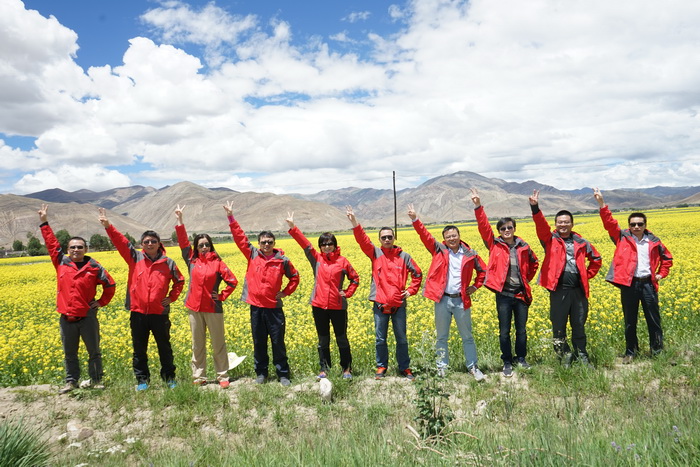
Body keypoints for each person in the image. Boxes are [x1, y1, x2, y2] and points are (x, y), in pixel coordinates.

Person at [99, 208, 184, 390]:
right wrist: (108, 226)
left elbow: (180, 281)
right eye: (146, 241)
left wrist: (171, 298)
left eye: (153, 241)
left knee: (164, 347)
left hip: (159, 313)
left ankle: (169, 378)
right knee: (139, 349)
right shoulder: (134, 258)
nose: (150, 244)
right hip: (138, 312)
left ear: (159, 244)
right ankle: (142, 380)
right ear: (141, 244)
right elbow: (121, 242)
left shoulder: (168, 263)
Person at [39, 204, 116, 394]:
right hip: (67, 317)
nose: (76, 250)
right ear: (67, 249)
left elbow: (110, 285)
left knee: (94, 352)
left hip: (87, 316)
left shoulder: (94, 266)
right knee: (70, 353)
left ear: (86, 249)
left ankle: (96, 380)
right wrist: (44, 223)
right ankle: (71, 381)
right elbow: (51, 244)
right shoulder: (61, 262)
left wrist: (101, 302)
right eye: (72, 247)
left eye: (80, 247)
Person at [593, 188, 673, 363]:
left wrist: (661, 274)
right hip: (629, 284)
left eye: (640, 224)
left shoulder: (654, 241)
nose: (636, 227)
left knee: (654, 320)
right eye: (633, 224)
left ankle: (657, 351)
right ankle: (631, 352)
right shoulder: (621, 237)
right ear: (629, 225)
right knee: (630, 321)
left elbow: (667, 258)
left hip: (648, 284)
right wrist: (602, 204)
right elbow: (609, 223)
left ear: (645, 225)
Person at [408, 204, 487, 380]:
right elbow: (425, 235)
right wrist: (415, 219)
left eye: (454, 235)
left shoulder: (470, 254)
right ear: (444, 239)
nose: (452, 238)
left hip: (461, 300)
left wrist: (475, 286)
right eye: (448, 236)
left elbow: (484, 271)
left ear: (459, 236)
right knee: (442, 336)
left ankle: (473, 367)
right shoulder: (439, 250)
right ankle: (442, 367)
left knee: (467, 336)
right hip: (442, 300)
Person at [224, 201, 299, 387]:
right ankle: (261, 373)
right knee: (259, 342)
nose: (266, 244)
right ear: (258, 244)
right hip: (256, 307)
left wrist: (285, 292)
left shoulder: (282, 260)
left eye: (270, 242)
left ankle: (283, 374)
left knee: (278, 342)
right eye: (263, 242)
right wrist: (231, 217)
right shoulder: (252, 254)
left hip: (274, 308)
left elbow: (295, 277)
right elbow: (240, 238)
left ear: (274, 243)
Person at [346, 206, 422, 380]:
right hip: (380, 304)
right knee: (380, 339)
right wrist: (354, 222)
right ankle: (381, 367)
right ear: (379, 239)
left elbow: (417, 273)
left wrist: (411, 290)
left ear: (394, 238)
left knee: (401, 338)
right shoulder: (375, 253)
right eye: (384, 237)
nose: (387, 239)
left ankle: (405, 367)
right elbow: (362, 240)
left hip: (399, 304)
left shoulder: (404, 256)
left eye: (389, 236)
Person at [470, 189, 539, 377]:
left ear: (514, 228)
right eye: (502, 229)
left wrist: (526, 279)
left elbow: (534, 262)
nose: (506, 231)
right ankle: (507, 361)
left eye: (509, 227)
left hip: (521, 294)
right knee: (504, 331)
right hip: (504, 295)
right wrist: (478, 206)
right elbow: (484, 227)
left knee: (521, 330)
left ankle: (521, 358)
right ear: (499, 231)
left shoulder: (523, 246)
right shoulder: (494, 244)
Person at [529, 190, 602, 367]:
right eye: (560, 222)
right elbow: (541, 225)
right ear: (555, 224)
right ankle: (564, 355)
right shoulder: (549, 239)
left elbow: (596, 259)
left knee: (579, 324)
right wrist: (535, 208)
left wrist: (586, 276)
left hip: (578, 291)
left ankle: (582, 354)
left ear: (572, 224)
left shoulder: (582, 242)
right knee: (558, 325)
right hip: (559, 291)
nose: (563, 225)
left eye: (566, 222)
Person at [286, 212, 360, 379]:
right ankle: (324, 369)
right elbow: (305, 245)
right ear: (320, 246)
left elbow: (355, 278)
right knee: (323, 339)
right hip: (319, 306)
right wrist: (293, 227)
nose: (327, 247)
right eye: (323, 244)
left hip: (338, 306)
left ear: (335, 245)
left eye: (330, 244)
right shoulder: (316, 259)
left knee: (341, 338)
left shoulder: (342, 261)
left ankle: (346, 369)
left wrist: (347, 293)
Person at [175, 205, 238, 388]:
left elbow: (232, 281)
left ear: (211, 246)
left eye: (206, 244)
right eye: (200, 245)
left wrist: (222, 295)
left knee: (218, 343)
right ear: (196, 247)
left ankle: (222, 376)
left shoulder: (218, 262)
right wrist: (180, 221)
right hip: (194, 308)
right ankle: (199, 376)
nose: (204, 247)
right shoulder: (191, 260)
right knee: (198, 344)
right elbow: (182, 242)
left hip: (213, 308)